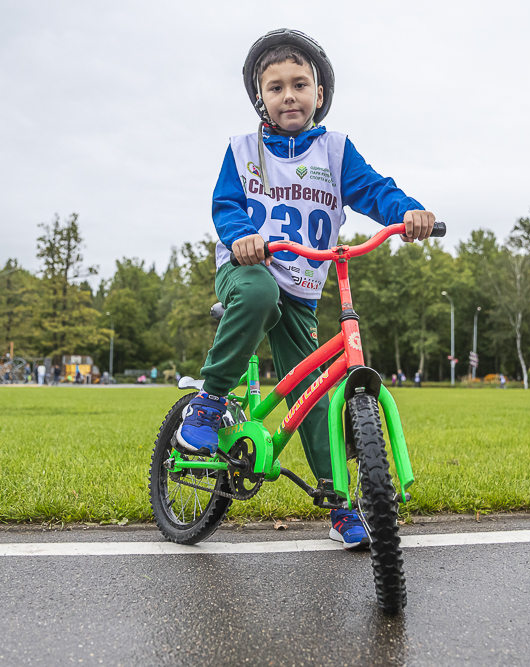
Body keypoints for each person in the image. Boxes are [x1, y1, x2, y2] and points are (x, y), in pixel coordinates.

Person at [173, 29, 435, 550]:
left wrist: (405, 212)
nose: (288, 95)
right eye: (275, 88)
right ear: (260, 98)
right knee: (258, 294)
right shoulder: (243, 150)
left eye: (299, 84)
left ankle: (338, 504)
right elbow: (225, 205)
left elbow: (372, 189)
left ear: (319, 94)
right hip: (249, 272)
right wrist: (241, 237)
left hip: (305, 287)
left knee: (315, 394)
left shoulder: (335, 151)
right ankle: (209, 400)